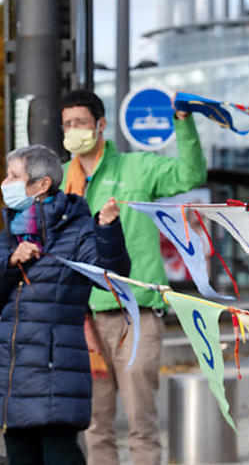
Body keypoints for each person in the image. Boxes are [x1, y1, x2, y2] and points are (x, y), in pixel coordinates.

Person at [59, 89, 207, 464]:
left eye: (80, 123)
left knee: (142, 422)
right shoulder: (60, 181)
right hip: (83, 323)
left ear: (101, 125)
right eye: (67, 124)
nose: (73, 131)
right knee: (95, 426)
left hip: (136, 316)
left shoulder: (137, 168)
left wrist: (184, 123)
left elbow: (190, 174)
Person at [0, 145, 130, 464]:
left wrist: (107, 230)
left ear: (42, 184)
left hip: (54, 373)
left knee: (60, 454)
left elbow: (111, 275)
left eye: (14, 176)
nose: (5, 182)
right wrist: (10, 262)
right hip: (12, 377)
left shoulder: (76, 228)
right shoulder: (8, 235)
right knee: (20, 454)